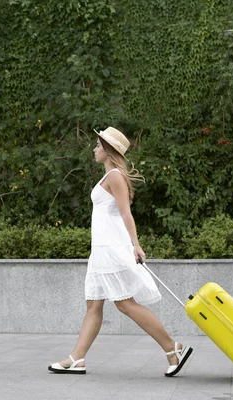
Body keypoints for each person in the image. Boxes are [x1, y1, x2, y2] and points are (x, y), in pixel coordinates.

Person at [48, 126, 193, 377]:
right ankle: (77, 358)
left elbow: (126, 212)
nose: (94, 149)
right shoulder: (107, 177)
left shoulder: (115, 176)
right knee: (93, 307)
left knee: (125, 304)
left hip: (111, 249)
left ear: (107, 149)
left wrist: (136, 245)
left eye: (97, 145)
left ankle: (172, 348)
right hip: (100, 251)